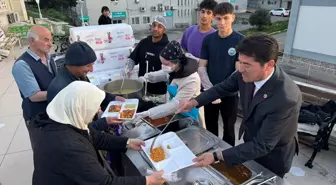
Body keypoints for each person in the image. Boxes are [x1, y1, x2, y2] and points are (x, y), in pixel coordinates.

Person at [178, 34, 301, 178]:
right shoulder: (246, 74)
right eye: (240, 62)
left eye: (247, 64)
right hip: (250, 141)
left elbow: (263, 145)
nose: (240, 69)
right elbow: (221, 88)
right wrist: (194, 102)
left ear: (269, 64)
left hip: (273, 155)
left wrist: (217, 156)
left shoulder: (286, 97)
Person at [31, 81, 165, 185]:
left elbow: (95, 137)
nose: (98, 111)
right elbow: (104, 183)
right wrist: (148, 181)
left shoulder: (64, 120)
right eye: (95, 106)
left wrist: (127, 142)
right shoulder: (68, 146)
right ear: (80, 107)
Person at [47, 41, 125, 130]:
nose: (91, 70)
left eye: (92, 65)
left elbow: (92, 93)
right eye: (88, 66)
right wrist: (103, 122)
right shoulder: (61, 90)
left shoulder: (79, 76)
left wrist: (113, 98)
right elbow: (74, 130)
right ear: (74, 64)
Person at [199, 2, 244, 146]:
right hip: (210, 92)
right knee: (210, 127)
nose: (222, 22)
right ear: (214, 18)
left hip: (230, 94)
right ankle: (212, 155)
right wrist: (211, 90)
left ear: (233, 17)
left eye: (226, 18)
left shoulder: (240, 40)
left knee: (229, 129)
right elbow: (202, 67)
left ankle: (227, 158)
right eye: (218, 18)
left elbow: (238, 71)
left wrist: (221, 91)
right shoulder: (208, 40)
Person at [12, 25, 56, 147]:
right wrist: (63, 91)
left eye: (51, 40)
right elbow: (34, 96)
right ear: (32, 41)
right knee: (44, 150)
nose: (50, 44)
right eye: (46, 40)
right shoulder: (22, 65)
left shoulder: (49, 58)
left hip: (52, 113)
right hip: (38, 118)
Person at [135, 41, 201, 121]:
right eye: (162, 63)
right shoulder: (174, 69)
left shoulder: (191, 80)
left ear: (176, 62)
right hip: (172, 112)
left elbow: (175, 105)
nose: (163, 67)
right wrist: (145, 78)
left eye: (165, 64)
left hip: (187, 115)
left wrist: (149, 113)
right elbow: (163, 74)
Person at [123, 16, 169, 101]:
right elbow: (133, 59)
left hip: (159, 94)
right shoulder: (144, 43)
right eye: (154, 25)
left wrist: (150, 77)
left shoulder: (167, 47)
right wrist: (127, 68)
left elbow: (169, 73)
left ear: (164, 30)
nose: (155, 29)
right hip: (142, 90)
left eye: (159, 27)